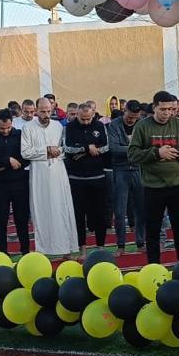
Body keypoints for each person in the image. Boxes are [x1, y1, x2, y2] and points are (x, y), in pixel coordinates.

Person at [129, 91, 179, 265]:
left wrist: (177, 153)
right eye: (163, 109)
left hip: (177, 184)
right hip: (153, 186)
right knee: (153, 231)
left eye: (171, 109)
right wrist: (157, 153)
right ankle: (154, 267)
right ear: (154, 107)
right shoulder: (142, 126)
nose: (167, 113)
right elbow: (132, 154)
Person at [21, 98, 80, 256]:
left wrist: (57, 151)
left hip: (58, 173)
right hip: (39, 175)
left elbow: (64, 148)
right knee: (41, 210)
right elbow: (25, 152)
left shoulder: (57, 126)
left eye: (48, 111)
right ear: (36, 111)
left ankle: (66, 248)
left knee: (62, 208)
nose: (46, 114)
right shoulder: (28, 128)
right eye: (42, 111)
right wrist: (46, 150)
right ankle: (44, 250)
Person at [0, 108, 30, 254]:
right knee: (1, 220)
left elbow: (26, 158)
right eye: (2, 128)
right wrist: (8, 161)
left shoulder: (20, 135)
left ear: (12, 123)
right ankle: (2, 252)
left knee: (21, 219)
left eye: (8, 127)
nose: (6, 131)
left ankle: (25, 250)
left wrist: (4, 165)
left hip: (20, 183)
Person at [63, 101, 110, 249]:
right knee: (78, 215)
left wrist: (90, 150)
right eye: (82, 119)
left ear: (93, 114)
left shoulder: (100, 125)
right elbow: (67, 148)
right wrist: (86, 148)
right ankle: (82, 247)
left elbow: (106, 146)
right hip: (76, 178)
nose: (85, 122)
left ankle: (101, 246)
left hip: (97, 176)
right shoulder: (69, 127)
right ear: (77, 114)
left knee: (100, 213)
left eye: (88, 119)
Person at [107, 99, 145, 253]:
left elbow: (146, 146)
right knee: (120, 211)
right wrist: (135, 149)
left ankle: (141, 242)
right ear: (124, 111)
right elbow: (114, 148)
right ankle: (121, 245)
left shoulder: (142, 124)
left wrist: (130, 149)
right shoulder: (114, 125)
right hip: (120, 169)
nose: (131, 120)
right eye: (129, 117)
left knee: (141, 209)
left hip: (138, 169)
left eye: (134, 118)